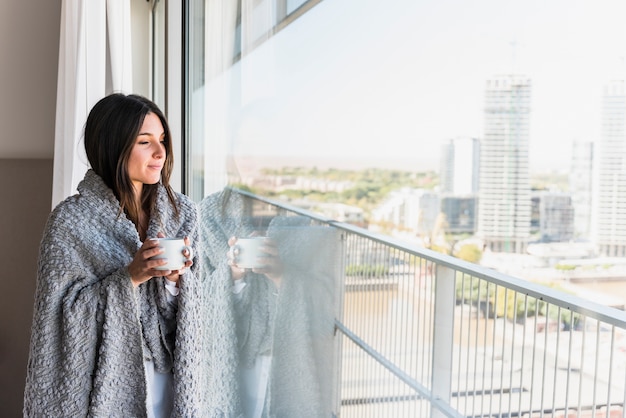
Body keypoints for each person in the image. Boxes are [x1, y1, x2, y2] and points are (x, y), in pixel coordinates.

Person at [23, 93, 208, 417]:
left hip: (171, 380)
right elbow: (59, 316)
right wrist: (131, 277)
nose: (161, 152)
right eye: (144, 141)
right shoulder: (71, 221)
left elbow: (203, 300)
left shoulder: (183, 213)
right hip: (104, 382)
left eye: (162, 139)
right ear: (114, 145)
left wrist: (177, 283)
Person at [198, 180, 340, 415]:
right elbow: (195, 299)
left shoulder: (308, 215)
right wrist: (233, 273)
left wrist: (281, 274)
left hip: (284, 360)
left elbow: (326, 301)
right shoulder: (210, 213)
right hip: (227, 358)